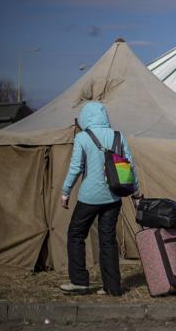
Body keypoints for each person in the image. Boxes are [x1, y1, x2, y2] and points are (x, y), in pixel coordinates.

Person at [59, 102, 140, 296]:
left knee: (76, 235)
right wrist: (136, 192)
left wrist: (65, 191)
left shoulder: (82, 138)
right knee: (108, 241)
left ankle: (79, 282)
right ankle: (112, 287)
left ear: (86, 117)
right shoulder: (118, 136)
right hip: (113, 197)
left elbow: (76, 167)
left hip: (89, 197)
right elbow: (130, 167)